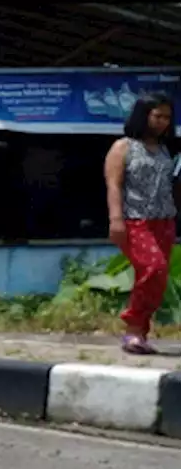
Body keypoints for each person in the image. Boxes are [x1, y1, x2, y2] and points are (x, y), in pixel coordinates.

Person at [104, 92, 178, 355]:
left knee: (156, 279)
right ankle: (133, 326)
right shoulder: (123, 147)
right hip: (135, 220)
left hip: (165, 221)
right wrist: (116, 220)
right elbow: (114, 185)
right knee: (153, 268)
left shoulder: (165, 150)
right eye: (157, 115)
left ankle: (139, 333)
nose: (162, 122)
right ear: (143, 114)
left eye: (167, 117)